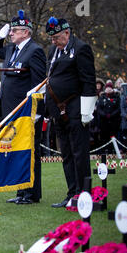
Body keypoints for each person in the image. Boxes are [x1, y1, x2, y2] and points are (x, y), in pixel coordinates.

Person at [0, 9, 46, 205]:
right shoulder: (12, 50)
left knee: (30, 151)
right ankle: (21, 191)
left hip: (26, 111)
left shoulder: (35, 51)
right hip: (10, 110)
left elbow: (39, 83)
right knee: (16, 151)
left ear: (26, 32)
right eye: (11, 30)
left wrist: (37, 110)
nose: (11, 33)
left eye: (15, 30)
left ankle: (32, 193)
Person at [42, 17, 97, 208]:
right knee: (65, 154)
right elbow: (51, 78)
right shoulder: (53, 51)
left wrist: (87, 110)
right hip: (58, 111)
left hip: (75, 109)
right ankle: (71, 192)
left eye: (56, 37)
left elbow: (89, 81)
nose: (54, 41)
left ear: (67, 33)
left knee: (79, 153)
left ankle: (83, 193)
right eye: (51, 38)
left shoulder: (81, 49)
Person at [97, 81, 121, 153]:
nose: (108, 89)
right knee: (104, 137)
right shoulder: (102, 97)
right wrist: (104, 115)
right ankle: (104, 151)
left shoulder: (116, 98)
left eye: (110, 88)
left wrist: (112, 115)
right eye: (107, 88)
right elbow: (99, 108)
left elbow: (118, 108)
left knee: (113, 136)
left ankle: (112, 150)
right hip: (103, 121)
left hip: (114, 121)